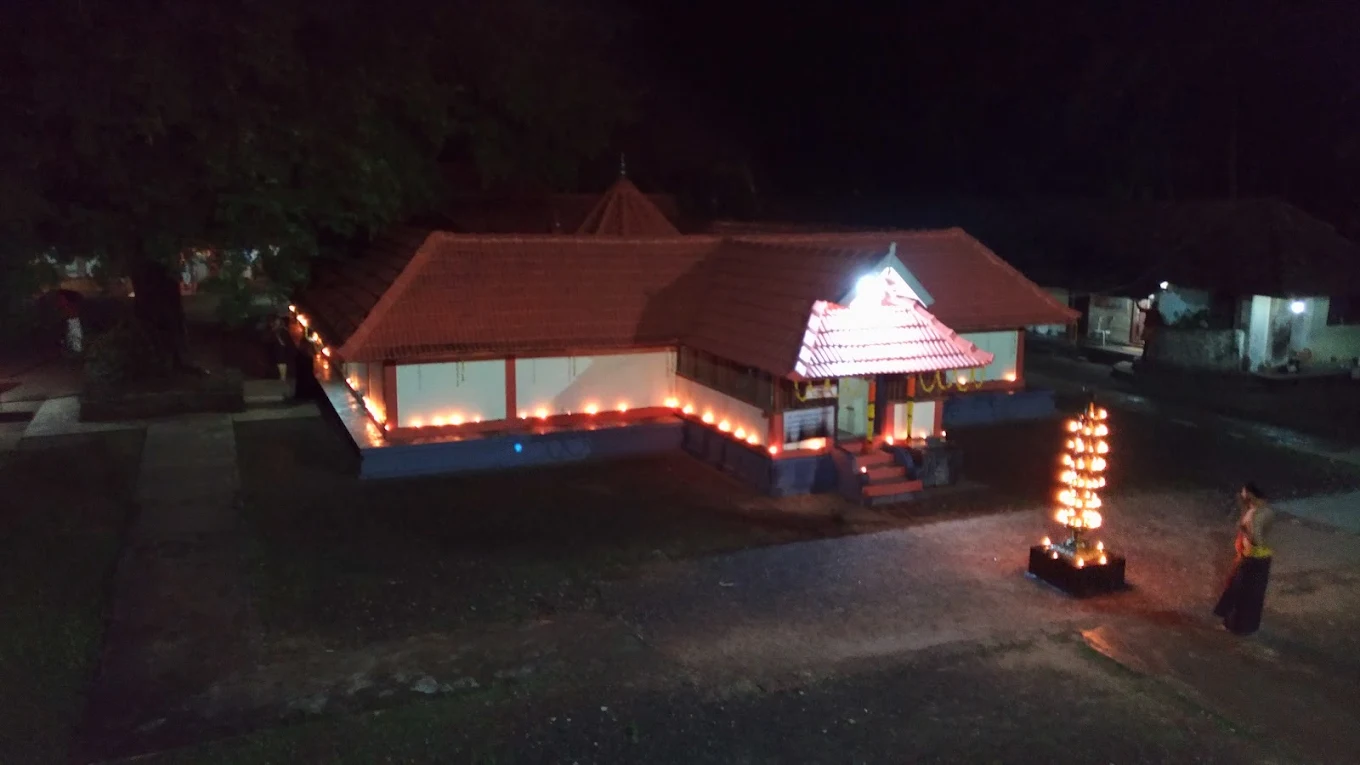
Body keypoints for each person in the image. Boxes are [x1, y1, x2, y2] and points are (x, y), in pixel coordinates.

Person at [1213, 482, 1275, 635]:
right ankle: (1243, 626)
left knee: (1239, 592)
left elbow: (1257, 540)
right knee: (1250, 594)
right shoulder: (1265, 510)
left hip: (1253, 559)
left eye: (1245, 495)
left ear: (1251, 495)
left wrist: (1244, 530)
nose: (1243, 497)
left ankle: (1235, 626)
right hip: (1260, 558)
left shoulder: (1256, 515)